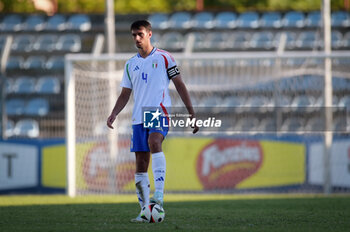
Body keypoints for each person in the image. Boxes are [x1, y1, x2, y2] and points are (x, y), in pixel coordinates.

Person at [107, 20, 198, 222]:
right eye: (133, 35)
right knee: (140, 163)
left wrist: (191, 112)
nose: (136, 39)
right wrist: (114, 113)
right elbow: (125, 94)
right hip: (138, 116)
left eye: (140, 34)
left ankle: (159, 195)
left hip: (157, 111)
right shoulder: (130, 64)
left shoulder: (165, 58)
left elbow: (180, 85)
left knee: (154, 143)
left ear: (149, 34)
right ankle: (144, 211)